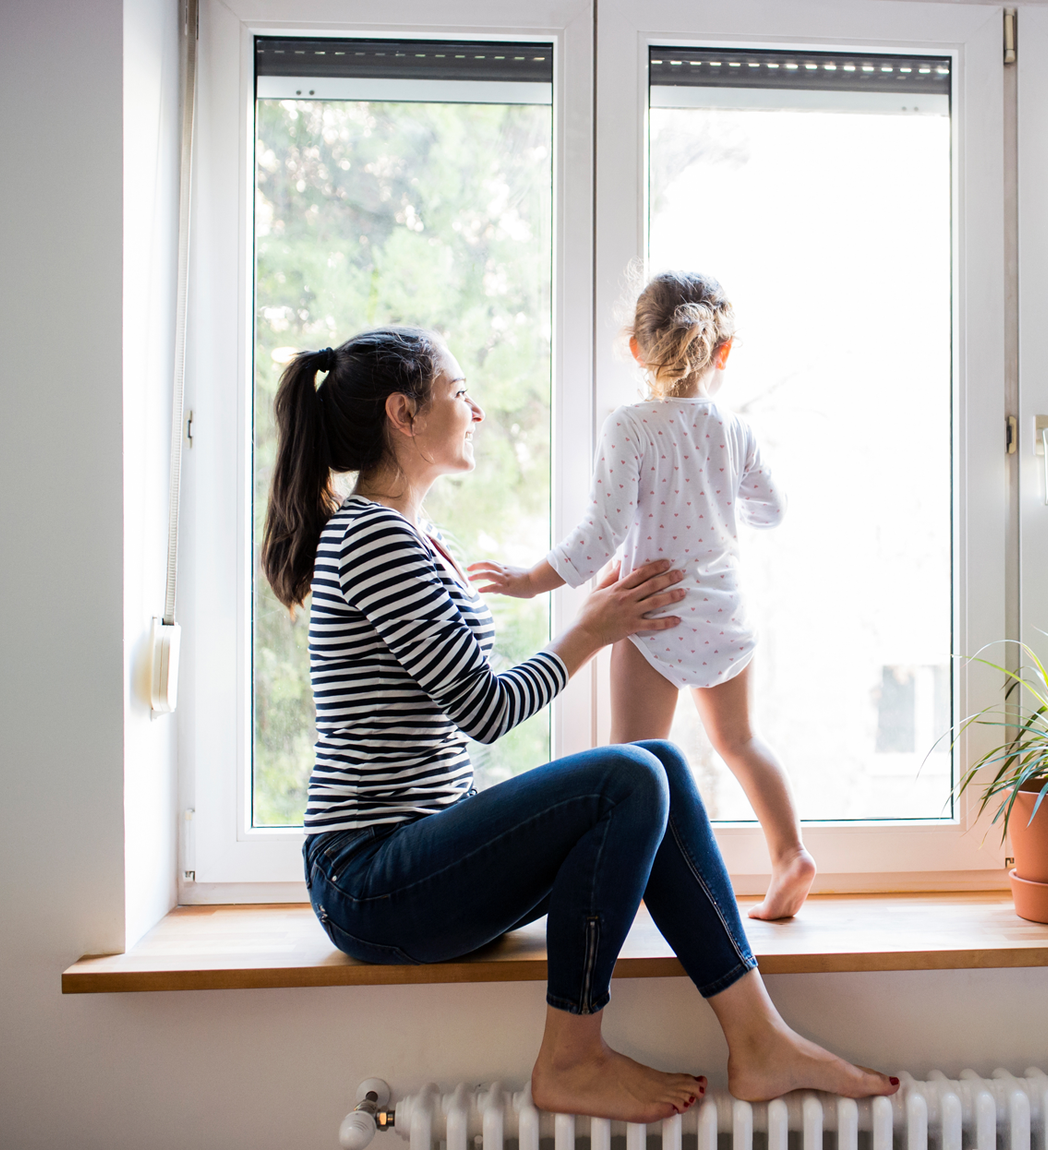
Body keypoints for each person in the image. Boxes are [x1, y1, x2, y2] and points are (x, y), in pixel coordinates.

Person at [261, 326, 897, 1124]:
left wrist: (591, 620)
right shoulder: (374, 539)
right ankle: (571, 1056)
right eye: (460, 393)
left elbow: (460, 695)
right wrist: (590, 631)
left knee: (656, 761)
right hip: (369, 880)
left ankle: (759, 1038)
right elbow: (485, 708)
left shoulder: (420, 539)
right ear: (404, 414)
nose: (478, 410)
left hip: (420, 856)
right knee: (629, 774)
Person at [470, 272, 814, 921]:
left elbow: (599, 537)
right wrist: (716, 493)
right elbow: (772, 509)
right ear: (724, 351)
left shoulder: (628, 428)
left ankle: (628, 893)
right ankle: (790, 853)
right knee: (740, 741)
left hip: (650, 611)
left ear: (635, 348)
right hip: (722, 609)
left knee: (631, 764)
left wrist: (526, 580)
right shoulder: (732, 429)